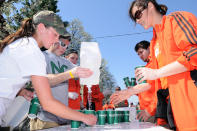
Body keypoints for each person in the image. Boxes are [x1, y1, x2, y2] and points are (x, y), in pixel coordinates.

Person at [0, 10, 97, 128]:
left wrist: (19, 91)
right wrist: (84, 117)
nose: (57, 40)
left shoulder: (23, 44)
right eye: (55, 35)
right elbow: (48, 103)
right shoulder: (33, 52)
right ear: (41, 28)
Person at [113, 0, 197, 130]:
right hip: (172, 105)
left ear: (150, 6)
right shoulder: (154, 42)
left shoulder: (176, 19)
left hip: (191, 98)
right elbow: (156, 81)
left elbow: (194, 53)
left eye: (138, 15)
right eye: (134, 19)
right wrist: (130, 91)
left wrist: (157, 73)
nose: (137, 21)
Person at [134, 40, 158, 123]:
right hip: (145, 112)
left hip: (154, 112)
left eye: (141, 52)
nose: (140, 56)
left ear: (149, 48)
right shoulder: (146, 67)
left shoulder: (156, 64)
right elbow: (146, 91)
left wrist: (150, 110)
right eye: (138, 54)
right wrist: (134, 90)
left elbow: (161, 90)